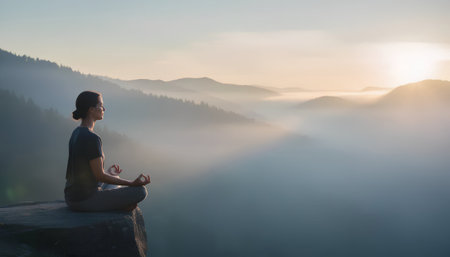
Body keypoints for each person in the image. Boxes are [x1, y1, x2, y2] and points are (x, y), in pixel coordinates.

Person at [64, 91, 151, 212]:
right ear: (91, 109)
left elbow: (91, 173)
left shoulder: (77, 132)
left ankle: (116, 202)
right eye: (100, 105)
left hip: (71, 196)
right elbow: (100, 176)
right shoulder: (92, 138)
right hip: (84, 200)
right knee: (140, 191)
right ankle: (118, 206)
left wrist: (108, 173)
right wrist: (131, 183)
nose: (104, 108)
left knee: (114, 177)